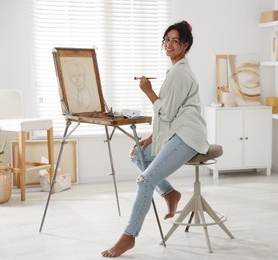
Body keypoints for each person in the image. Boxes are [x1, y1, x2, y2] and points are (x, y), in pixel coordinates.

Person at [101, 20, 209, 258]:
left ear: (185, 45)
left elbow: (167, 113)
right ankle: (170, 193)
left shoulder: (180, 73)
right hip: (176, 131)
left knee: (144, 181)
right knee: (138, 155)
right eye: (166, 40)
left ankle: (129, 237)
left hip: (188, 136)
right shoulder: (174, 70)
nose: (169, 44)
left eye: (174, 41)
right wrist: (151, 138)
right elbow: (172, 115)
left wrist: (148, 90)